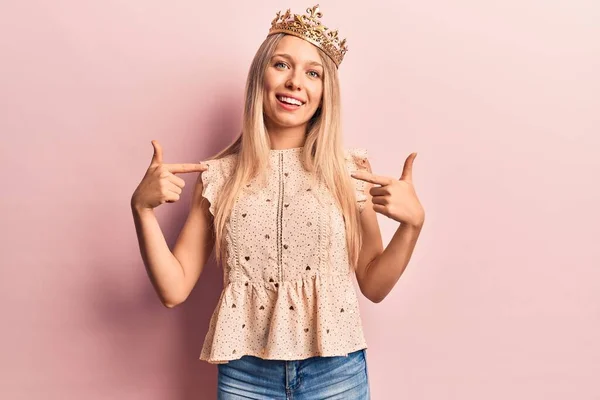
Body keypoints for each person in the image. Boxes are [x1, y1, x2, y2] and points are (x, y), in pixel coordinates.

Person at [131, 4, 425, 399]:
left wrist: (412, 226)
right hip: (245, 374)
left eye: (312, 72)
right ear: (260, 77)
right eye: (282, 65)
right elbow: (174, 289)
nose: (295, 83)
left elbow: (373, 283)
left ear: (324, 94)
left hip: (335, 369)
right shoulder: (218, 177)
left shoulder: (348, 170)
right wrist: (142, 210)